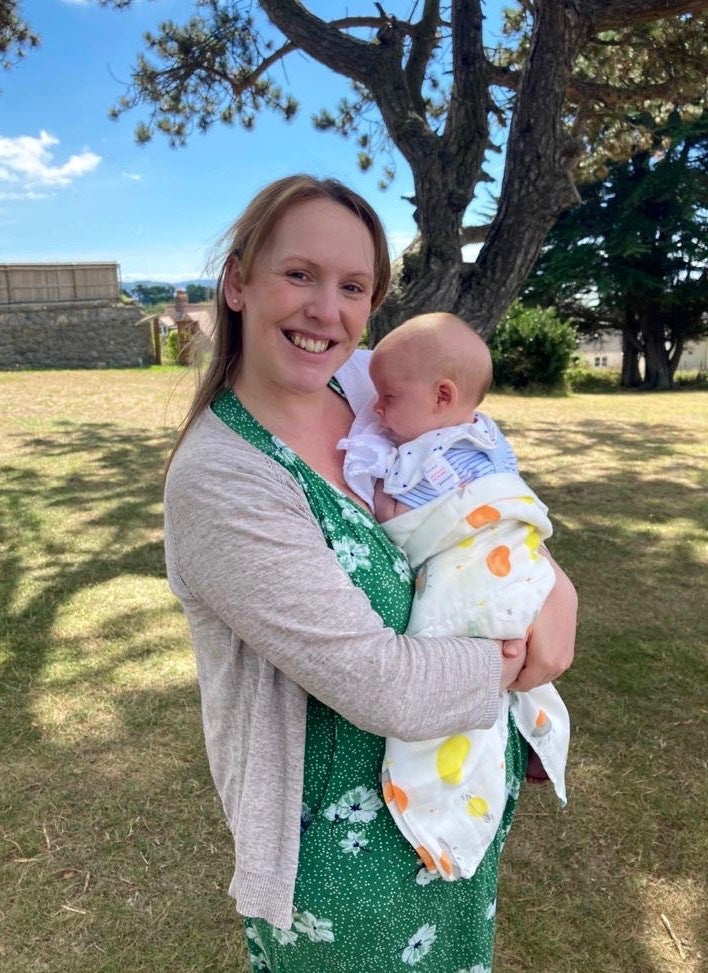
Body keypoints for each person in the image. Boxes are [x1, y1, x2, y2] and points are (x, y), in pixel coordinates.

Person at [163, 175, 577, 972]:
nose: (328, 310)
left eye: (353, 286)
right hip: (340, 873)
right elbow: (381, 682)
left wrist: (553, 581)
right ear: (238, 281)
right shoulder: (222, 478)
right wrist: (522, 655)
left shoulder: (366, 390)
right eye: (299, 274)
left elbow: (475, 488)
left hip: (448, 815)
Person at [338, 311, 571, 883]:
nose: (377, 411)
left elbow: (441, 514)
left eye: (388, 399)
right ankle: (535, 734)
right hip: (489, 571)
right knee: (505, 666)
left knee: (483, 640)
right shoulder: (484, 433)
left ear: (442, 396)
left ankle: (516, 745)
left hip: (482, 562)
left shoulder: (428, 454)